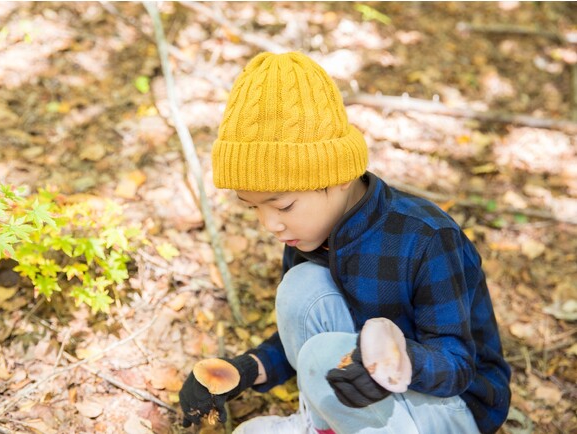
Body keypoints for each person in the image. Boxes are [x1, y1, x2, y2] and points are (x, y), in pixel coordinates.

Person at [179, 51, 511, 434]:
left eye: (282, 204)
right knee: (300, 290)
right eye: (252, 207)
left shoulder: (426, 239)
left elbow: (457, 365)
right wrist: (244, 370)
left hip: (450, 407)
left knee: (323, 354)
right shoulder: (307, 231)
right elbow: (306, 340)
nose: (269, 223)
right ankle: (325, 425)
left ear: (337, 175)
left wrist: (397, 364)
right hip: (370, 396)